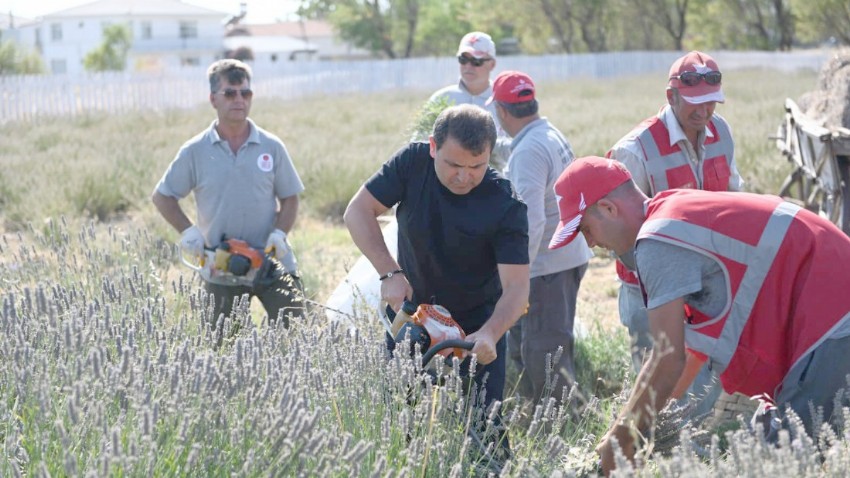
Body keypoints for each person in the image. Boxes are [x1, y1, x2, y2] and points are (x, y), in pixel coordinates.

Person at [547, 156, 850, 475]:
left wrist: (623, 438)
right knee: (761, 452)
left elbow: (668, 358)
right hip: (828, 313)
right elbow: (688, 352)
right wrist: (645, 426)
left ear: (609, 209)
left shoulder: (656, 242)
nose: (592, 243)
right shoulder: (672, 211)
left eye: (585, 229)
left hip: (832, 319)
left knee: (778, 464)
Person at [343, 103, 530, 413]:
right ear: (433, 146)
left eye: (476, 167)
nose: (464, 177)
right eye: (454, 164)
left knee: (484, 429)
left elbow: (516, 288)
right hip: (414, 315)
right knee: (398, 419)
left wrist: (491, 333)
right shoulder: (413, 162)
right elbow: (358, 211)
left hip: (475, 327)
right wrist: (390, 273)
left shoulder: (506, 204)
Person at [607, 50, 743, 416]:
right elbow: (618, 236)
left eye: (711, 103)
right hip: (650, 292)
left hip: (705, 287)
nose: (704, 113)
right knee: (659, 390)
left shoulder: (722, 132)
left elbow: (733, 196)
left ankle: (694, 455)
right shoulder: (635, 150)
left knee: (702, 390)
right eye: (694, 104)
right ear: (671, 97)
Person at [152, 59, 306, 332]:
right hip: (221, 265)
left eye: (245, 93)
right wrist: (189, 232)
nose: (239, 100)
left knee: (296, 340)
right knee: (224, 352)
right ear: (213, 99)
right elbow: (163, 197)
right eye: (230, 93)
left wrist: (280, 234)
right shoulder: (195, 151)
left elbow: (291, 197)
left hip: (271, 261)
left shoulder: (271, 146)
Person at [489, 70, 593, 405]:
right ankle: (535, 409)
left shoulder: (529, 152)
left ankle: (562, 421)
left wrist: (516, 276)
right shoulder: (547, 134)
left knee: (544, 350)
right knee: (543, 342)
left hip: (546, 266)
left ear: (503, 112)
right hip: (566, 256)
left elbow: (530, 221)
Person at [426, 31, 511, 169]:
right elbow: (419, 141)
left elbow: (519, 149)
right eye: (463, 59)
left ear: (492, 64)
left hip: (496, 185)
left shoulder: (505, 102)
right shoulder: (440, 99)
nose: (468, 66)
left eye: (476, 61)